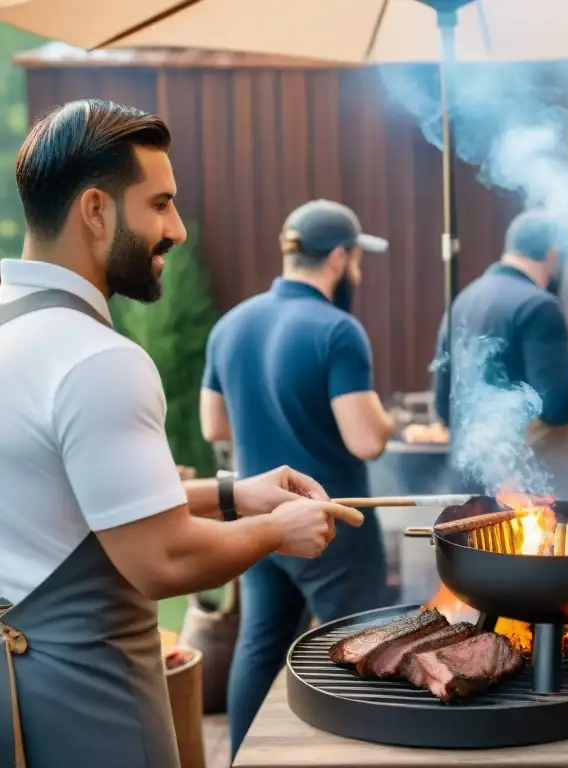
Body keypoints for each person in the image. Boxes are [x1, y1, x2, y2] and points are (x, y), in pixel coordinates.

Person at [0, 100, 361, 768]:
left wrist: (233, 495)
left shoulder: (8, 319)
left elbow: (64, 500)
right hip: (87, 715)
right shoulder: (96, 358)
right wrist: (280, 531)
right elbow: (162, 561)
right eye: (160, 203)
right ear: (96, 210)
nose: (178, 230)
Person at [200, 198, 395, 755]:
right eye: (356, 259)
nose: (356, 270)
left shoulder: (231, 323)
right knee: (363, 648)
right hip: (332, 521)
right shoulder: (338, 330)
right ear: (337, 257)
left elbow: (215, 423)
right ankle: (362, 757)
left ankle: (242, 758)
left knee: (259, 646)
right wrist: (384, 416)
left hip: (261, 519)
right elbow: (367, 439)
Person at [431, 209, 568, 498]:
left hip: (468, 486)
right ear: (553, 253)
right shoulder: (539, 306)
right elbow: (559, 406)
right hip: (527, 495)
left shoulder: (463, 301)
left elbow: (442, 406)